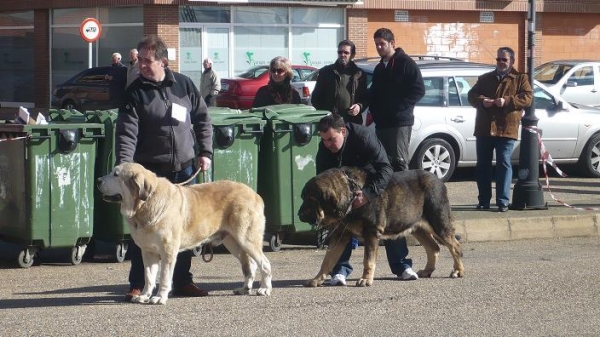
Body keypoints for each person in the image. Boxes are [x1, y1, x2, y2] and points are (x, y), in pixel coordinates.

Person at [116, 35, 213, 300]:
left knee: (181, 229)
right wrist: (125, 167)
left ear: (163, 61)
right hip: (150, 174)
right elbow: (126, 134)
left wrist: (205, 151)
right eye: (140, 61)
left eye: (148, 61)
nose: (142, 66)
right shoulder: (135, 93)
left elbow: (203, 119)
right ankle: (138, 283)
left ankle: (182, 280)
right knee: (143, 229)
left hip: (183, 169)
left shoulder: (184, 85)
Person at [316, 114, 419, 286]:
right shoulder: (325, 148)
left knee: (388, 222)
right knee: (340, 227)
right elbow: (322, 179)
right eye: (324, 140)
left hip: (373, 184)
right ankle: (340, 271)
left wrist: (367, 194)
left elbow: (385, 169)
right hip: (345, 192)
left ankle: (401, 266)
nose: (328, 144)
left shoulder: (363, 137)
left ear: (343, 131)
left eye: (331, 139)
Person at [358, 27, 425, 283]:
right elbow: (374, 93)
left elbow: (418, 90)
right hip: (382, 122)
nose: (378, 47)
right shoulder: (380, 68)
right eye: (376, 44)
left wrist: (401, 106)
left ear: (392, 43)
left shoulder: (406, 64)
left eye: (382, 44)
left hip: (399, 121)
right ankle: (387, 190)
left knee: (398, 162)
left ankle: (403, 194)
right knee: (383, 161)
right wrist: (367, 106)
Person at [467, 47, 533, 213]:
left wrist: (507, 101)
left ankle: (503, 201)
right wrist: (483, 101)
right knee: (483, 165)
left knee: (503, 162)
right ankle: (483, 201)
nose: (501, 62)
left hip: (506, 128)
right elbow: (471, 95)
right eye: (498, 59)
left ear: (511, 61)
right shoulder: (485, 78)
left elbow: (527, 98)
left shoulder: (520, 78)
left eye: (504, 59)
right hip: (485, 128)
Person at [311, 39, 368, 125]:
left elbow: (365, 98)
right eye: (340, 52)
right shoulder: (326, 72)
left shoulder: (359, 74)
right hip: (331, 122)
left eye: (346, 52)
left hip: (352, 122)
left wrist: (359, 107)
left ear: (352, 55)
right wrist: (326, 115)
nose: (342, 55)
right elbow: (315, 98)